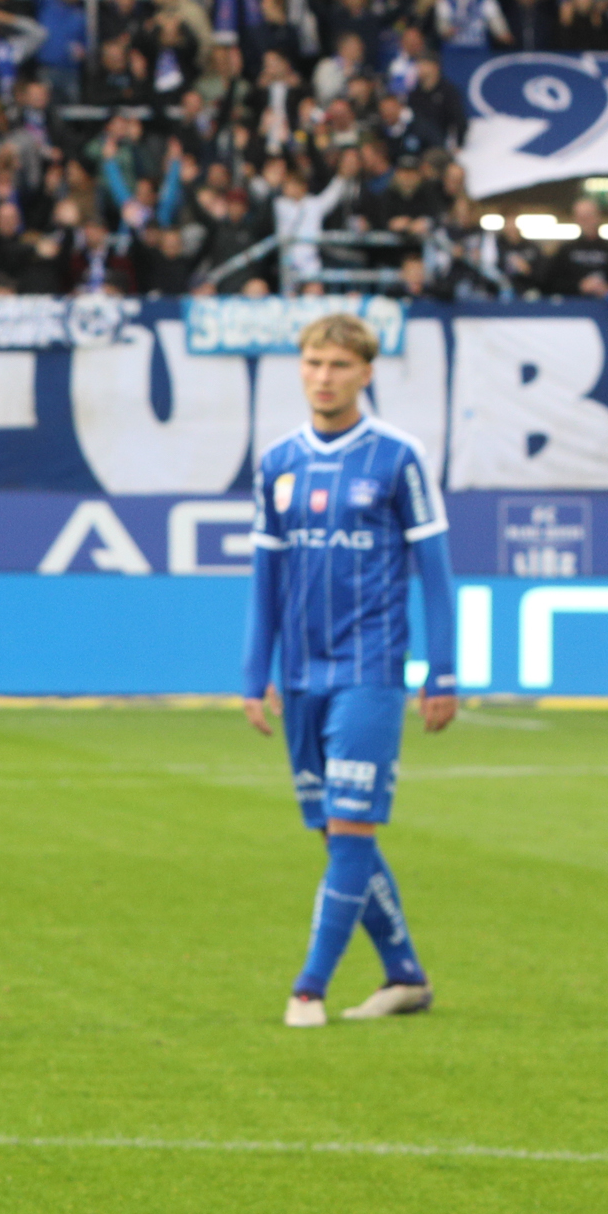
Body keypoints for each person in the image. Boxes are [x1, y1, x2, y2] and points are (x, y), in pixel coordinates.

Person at [243, 313, 455, 1027]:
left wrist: (443, 671)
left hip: (370, 670)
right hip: (301, 675)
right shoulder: (277, 462)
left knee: (351, 826)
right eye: (312, 362)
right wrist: (253, 674)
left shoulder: (397, 458)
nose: (323, 376)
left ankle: (309, 987)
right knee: (339, 835)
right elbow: (265, 580)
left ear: (366, 372)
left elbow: (437, 574)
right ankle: (405, 976)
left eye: (338, 364)